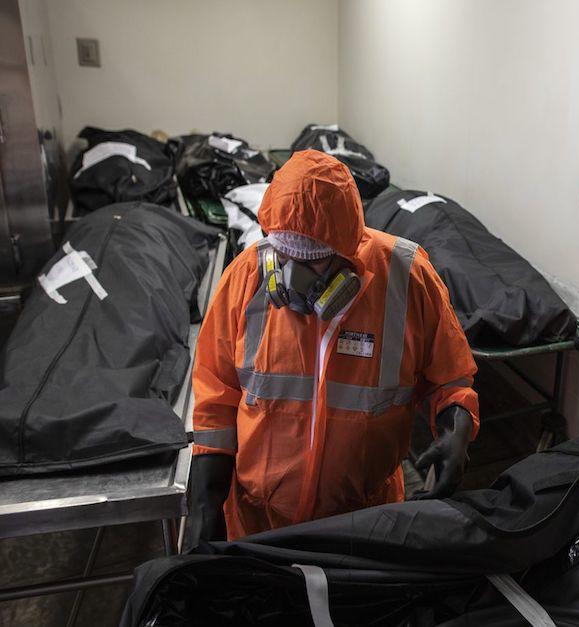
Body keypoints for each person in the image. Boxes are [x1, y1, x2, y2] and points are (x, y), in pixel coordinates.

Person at [184, 150, 479, 548]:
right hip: (260, 523)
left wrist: (455, 429)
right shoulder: (245, 279)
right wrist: (205, 506)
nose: (292, 278)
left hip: (365, 524)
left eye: (312, 261)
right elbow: (215, 398)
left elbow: (450, 375)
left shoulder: (406, 278)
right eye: (284, 256)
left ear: (348, 251)